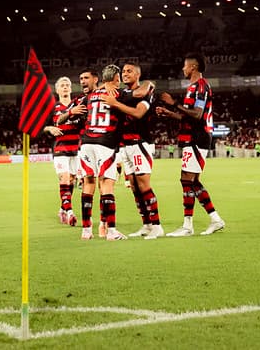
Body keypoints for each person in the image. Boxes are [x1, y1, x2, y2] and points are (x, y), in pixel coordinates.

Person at [156, 52, 225, 237]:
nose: (183, 68)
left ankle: (191, 225)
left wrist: (174, 102)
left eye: (185, 65)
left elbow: (197, 114)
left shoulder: (201, 86)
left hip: (197, 137)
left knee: (188, 180)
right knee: (188, 181)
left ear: (193, 67)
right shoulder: (193, 87)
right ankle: (210, 220)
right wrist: (169, 112)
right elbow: (187, 115)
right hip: (191, 136)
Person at [101, 62, 164, 240]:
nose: (125, 74)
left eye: (129, 71)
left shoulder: (146, 93)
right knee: (135, 187)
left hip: (140, 143)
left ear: (138, 75)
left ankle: (157, 226)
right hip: (125, 145)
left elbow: (138, 114)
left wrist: (115, 103)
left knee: (144, 185)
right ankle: (147, 224)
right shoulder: (123, 94)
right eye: (123, 72)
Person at [77, 64, 128, 241]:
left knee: (88, 184)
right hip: (105, 143)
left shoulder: (91, 95)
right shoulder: (118, 94)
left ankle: (86, 230)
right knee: (107, 185)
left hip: (86, 143)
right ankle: (111, 231)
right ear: (116, 79)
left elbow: (77, 111)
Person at [43, 76, 82, 226]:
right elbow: (40, 127)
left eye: (67, 85)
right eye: (62, 85)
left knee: (71, 180)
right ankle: (70, 212)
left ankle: (62, 208)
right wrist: (49, 128)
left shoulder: (77, 105)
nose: (65, 87)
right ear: (57, 90)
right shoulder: (52, 108)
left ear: (71, 89)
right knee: (65, 179)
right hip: (60, 149)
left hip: (76, 149)